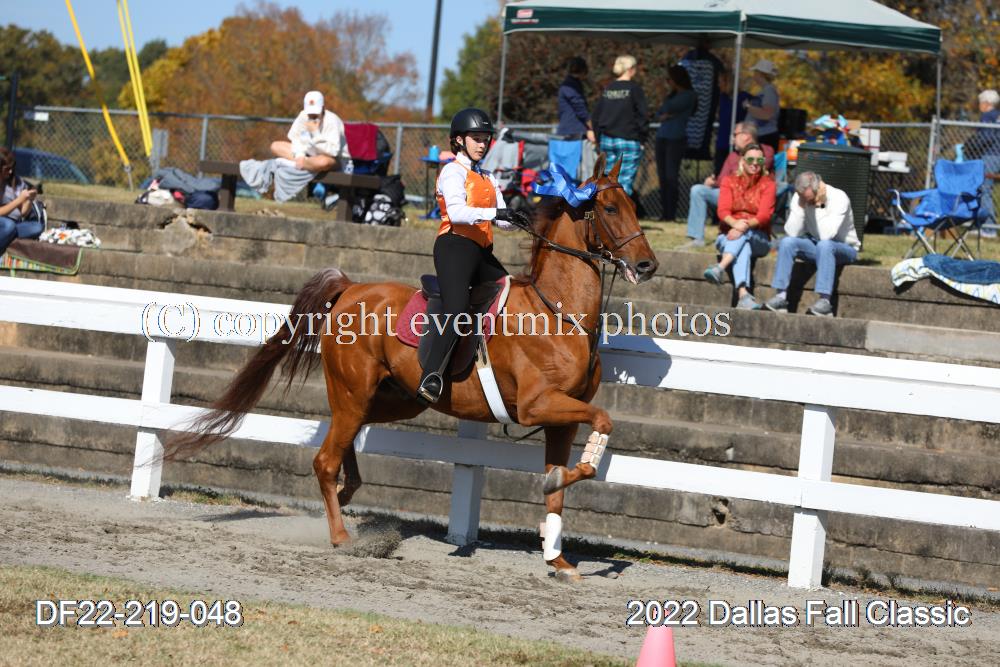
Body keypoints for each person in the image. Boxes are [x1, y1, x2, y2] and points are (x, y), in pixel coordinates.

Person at [417, 108, 525, 404]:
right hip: (454, 247)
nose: (482, 144)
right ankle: (431, 376)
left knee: (512, 293)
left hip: (481, 252)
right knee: (457, 309)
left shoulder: (488, 177)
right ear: (459, 140)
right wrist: (495, 213)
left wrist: (517, 217)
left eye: (485, 139)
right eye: (476, 138)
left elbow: (501, 220)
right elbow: (457, 213)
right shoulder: (452, 171)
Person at [761, 172, 860, 317]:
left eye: (810, 199)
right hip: (817, 245)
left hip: (845, 248)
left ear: (818, 189)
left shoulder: (839, 197)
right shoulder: (801, 197)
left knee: (825, 245)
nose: (808, 202)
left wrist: (820, 205)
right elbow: (792, 232)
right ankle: (781, 297)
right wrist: (801, 207)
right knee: (787, 242)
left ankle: (825, 303)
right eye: (804, 198)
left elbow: (826, 235)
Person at [703, 144, 775, 309]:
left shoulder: (768, 184)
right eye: (750, 159)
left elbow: (764, 216)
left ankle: (720, 267)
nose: (755, 163)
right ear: (742, 160)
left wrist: (744, 226)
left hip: (759, 238)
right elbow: (723, 211)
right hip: (728, 236)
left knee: (744, 235)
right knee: (744, 247)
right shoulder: (729, 181)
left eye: (759, 160)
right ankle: (743, 295)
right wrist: (736, 224)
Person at [679, 122, 773, 248]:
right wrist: (712, 181)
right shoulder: (733, 155)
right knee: (698, 190)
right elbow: (722, 179)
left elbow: (756, 172)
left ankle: (745, 235)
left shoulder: (765, 151)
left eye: (735, 134)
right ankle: (697, 238)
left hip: (756, 196)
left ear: (746, 136)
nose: (732, 139)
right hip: (730, 193)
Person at [592, 55, 648, 196]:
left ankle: (606, 208)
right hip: (628, 140)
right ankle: (618, 209)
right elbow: (642, 116)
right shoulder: (634, 89)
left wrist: (598, 140)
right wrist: (642, 139)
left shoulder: (608, 89)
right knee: (623, 183)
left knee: (607, 181)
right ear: (631, 69)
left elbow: (596, 116)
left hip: (606, 141)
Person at [270, 90, 350, 173]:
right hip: (308, 154)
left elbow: (333, 152)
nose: (312, 115)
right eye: (310, 112)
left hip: (333, 158)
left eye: (315, 112)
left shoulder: (332, 120)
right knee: (275, 146)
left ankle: (294, 164)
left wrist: (315, 133)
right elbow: (296, 139)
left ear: (323, 108)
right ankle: (305, 164)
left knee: (322, 162)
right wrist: (299, 155)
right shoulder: (303, 115)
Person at [655, 65, 697, 221]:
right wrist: (665, 113)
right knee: (662, 176)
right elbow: (659, 113)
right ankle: (664, 212)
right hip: (662, 137)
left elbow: (669, 107)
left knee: (671, 176)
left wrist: (666, 109)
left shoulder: (689, 95)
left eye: (669, 79)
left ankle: (671, 213)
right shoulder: (671, 96)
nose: (668, 82)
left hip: (676, 139)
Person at [553, 57, 596, 180]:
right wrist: (591, 126)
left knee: (572, 169)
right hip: (573, 132)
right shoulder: (570, 86)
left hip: (571, 130)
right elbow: (579, 107)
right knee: (577, 168)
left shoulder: (571, 84)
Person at [964, 89, 1000, 229]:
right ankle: (984, 225)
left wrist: (971, 146)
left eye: (980, 102)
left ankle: (988, 227)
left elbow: (986, 136)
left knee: (984, 190)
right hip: (997, 155)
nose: (979, 105)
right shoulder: (997, 115)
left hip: (990, 155)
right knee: (986, 189)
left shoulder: (987, 116)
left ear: (987, 103)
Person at [0, 148, 44, 257]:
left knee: (37, 227)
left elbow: (23, 213)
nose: (10, 171)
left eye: (12, 168)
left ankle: (6, 238)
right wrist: (19, 200)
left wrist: (29, 199)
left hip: (14, 224)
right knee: (9, 225)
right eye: (7, 169)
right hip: (4, 223)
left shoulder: (17, 182)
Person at [714, 68, 751, 177]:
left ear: (727, 82)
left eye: (720, 82)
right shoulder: (722, 98)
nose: (719, 85)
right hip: (722, 142)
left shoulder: (743, 97)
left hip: (737, 143)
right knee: (720, 173)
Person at [743, 60, 781, 152]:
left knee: (761, 160)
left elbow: (767, 114)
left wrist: (748, 107)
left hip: (765, 137)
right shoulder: (765, 91)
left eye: (755, 72)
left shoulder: (769, 91)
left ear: (760, 74)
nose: (753, 75)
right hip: (761, 136)